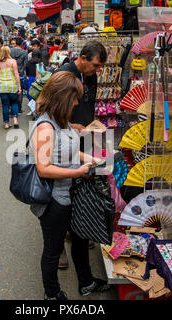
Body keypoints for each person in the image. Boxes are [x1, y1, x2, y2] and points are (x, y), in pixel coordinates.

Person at [30, 71, 111, 300]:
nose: (77, 103)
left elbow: (71, 151)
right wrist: (77, 171)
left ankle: (86, 282)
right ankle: (52, 294)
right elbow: (43, 168)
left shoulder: (61, 120)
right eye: (74, 98)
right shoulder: (46, 127)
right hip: (55, 201)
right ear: (63, 97)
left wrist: (92, 160)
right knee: (53, 250)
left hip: (72, 193)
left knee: (80, 239)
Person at [53, 40, 107, 269]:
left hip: (84, 135)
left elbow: (88, 104)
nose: (97, 71)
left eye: (99, 67)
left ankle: (75, 231)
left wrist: (92, 126)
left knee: (80, 184)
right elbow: (51, 110)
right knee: (61, 189)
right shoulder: (64, 75)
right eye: (95, 65)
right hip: (64, 135)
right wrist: (69, 125)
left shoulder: (91, 75)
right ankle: (57, 248)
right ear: (83, 58)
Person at [0, 46, 21, 129]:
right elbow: (16, 74)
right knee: (14, 103)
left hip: (2, 86)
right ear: (8, 52)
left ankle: (6, 124)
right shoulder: (13, 61)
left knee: (5, 105)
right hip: (12, 85)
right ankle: (15, 120)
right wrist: (19, 87)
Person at [10, 37, 28, 114]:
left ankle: (12, 109)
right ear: (21, 44)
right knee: (19, 92)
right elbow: (25, 64)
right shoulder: (24, 52)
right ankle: (19, 108)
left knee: (11, 92)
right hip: (20, 74)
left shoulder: (9, 51)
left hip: (11, 75)